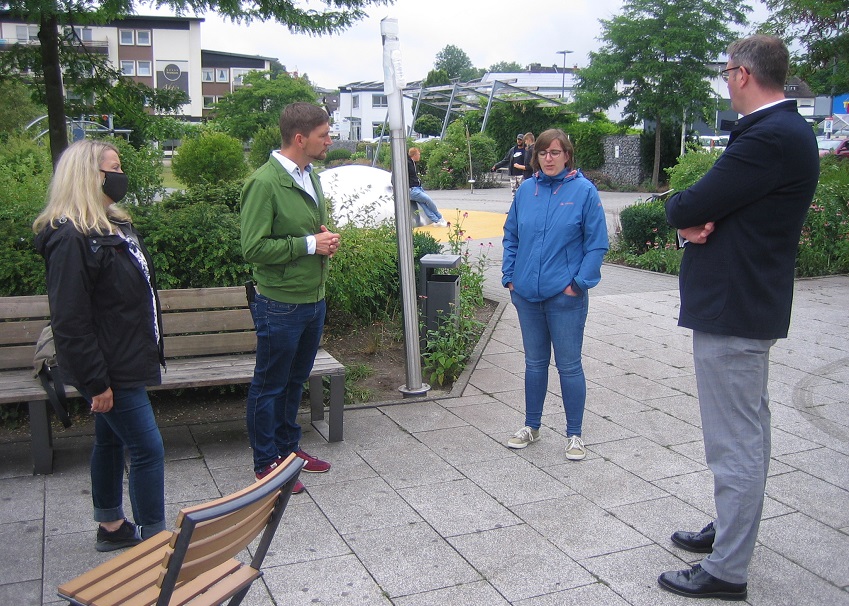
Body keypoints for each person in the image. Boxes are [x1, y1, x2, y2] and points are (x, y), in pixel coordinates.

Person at [658, 35, 819, 601]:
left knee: (735, 442)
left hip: (735, 308)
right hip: (745, 302)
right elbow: (709, 207)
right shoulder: (782, 133)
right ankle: (730, 531)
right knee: (745, 432)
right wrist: (695, 219)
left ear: (744, 74)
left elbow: (689, 203)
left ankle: (728, 570)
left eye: (727, 71)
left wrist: (685, 216)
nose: (725, 80)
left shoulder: (769, 136)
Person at [33, 140, 166, 552]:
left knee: (110, 441)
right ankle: (154, 540)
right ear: (90, 175)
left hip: (126, 354)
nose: (120, 174)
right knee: (147, 448)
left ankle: (110, 526)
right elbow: (70, 320)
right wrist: (95, 383)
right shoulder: (70, 237)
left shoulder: (112, 226)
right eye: (114, 167)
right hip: (110, 367)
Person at [241, 102, 340, 494]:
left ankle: (289, 452)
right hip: (279, 303)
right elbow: (252, 247)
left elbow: (308, 233)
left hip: (313, 298)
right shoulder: (264, 183)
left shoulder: (309, 176)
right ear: (300, 138)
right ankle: (266, 463)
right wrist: (308, 244)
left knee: (295, 380)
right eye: (323, 135)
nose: (330, 140)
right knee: (270, 384)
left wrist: (322, 240)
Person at [501, 129, 608, 459]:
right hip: (527, 296)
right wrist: (510, 278)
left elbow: (597, 244)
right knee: (534, 364)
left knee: (569, 366)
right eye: (543, 153)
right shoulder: (526, 191)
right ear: (537, 156)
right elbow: (511, 236)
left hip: (565, 298)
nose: (548, 158)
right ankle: (531, 426)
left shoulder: (584, 192)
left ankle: (574, 434)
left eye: (555, 152)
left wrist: (577, 285)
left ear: (567, 156)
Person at [407, 147, 447, 226]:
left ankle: (436, 221)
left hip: (417, 188)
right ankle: (440, 217)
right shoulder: (408, 163)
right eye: (418, 154)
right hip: (412, 190)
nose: (419, 156)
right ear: (414, 155)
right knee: (428, 200)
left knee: (424, 205)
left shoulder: (413, 163)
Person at [491, 133, 527, 198]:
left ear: (524, 141)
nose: (519, 141)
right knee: (514, 193)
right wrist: (496, 166)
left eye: (520, 140)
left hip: (522, 174)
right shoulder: (513, 150)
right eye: (518, 139)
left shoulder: (526, 150)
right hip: (513, 174)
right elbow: (506, 160)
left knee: (523, 192)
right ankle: (515, 206)